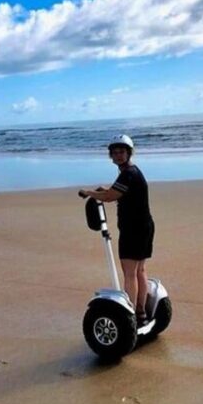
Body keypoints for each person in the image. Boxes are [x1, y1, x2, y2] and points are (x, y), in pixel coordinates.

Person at [78, 134, 155, 326]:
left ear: (129, 153)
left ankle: (131, 317)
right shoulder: (131, 172)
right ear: (111, 155)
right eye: (115, 152)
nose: (118, 155)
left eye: (122, 152)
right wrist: (104, 190)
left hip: (133, 229)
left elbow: (110, 196)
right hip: (145, 226)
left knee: (130, 273)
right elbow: (117, 191)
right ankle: (141, 313)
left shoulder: (128, 174)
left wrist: (88, 192)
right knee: (140, 270)